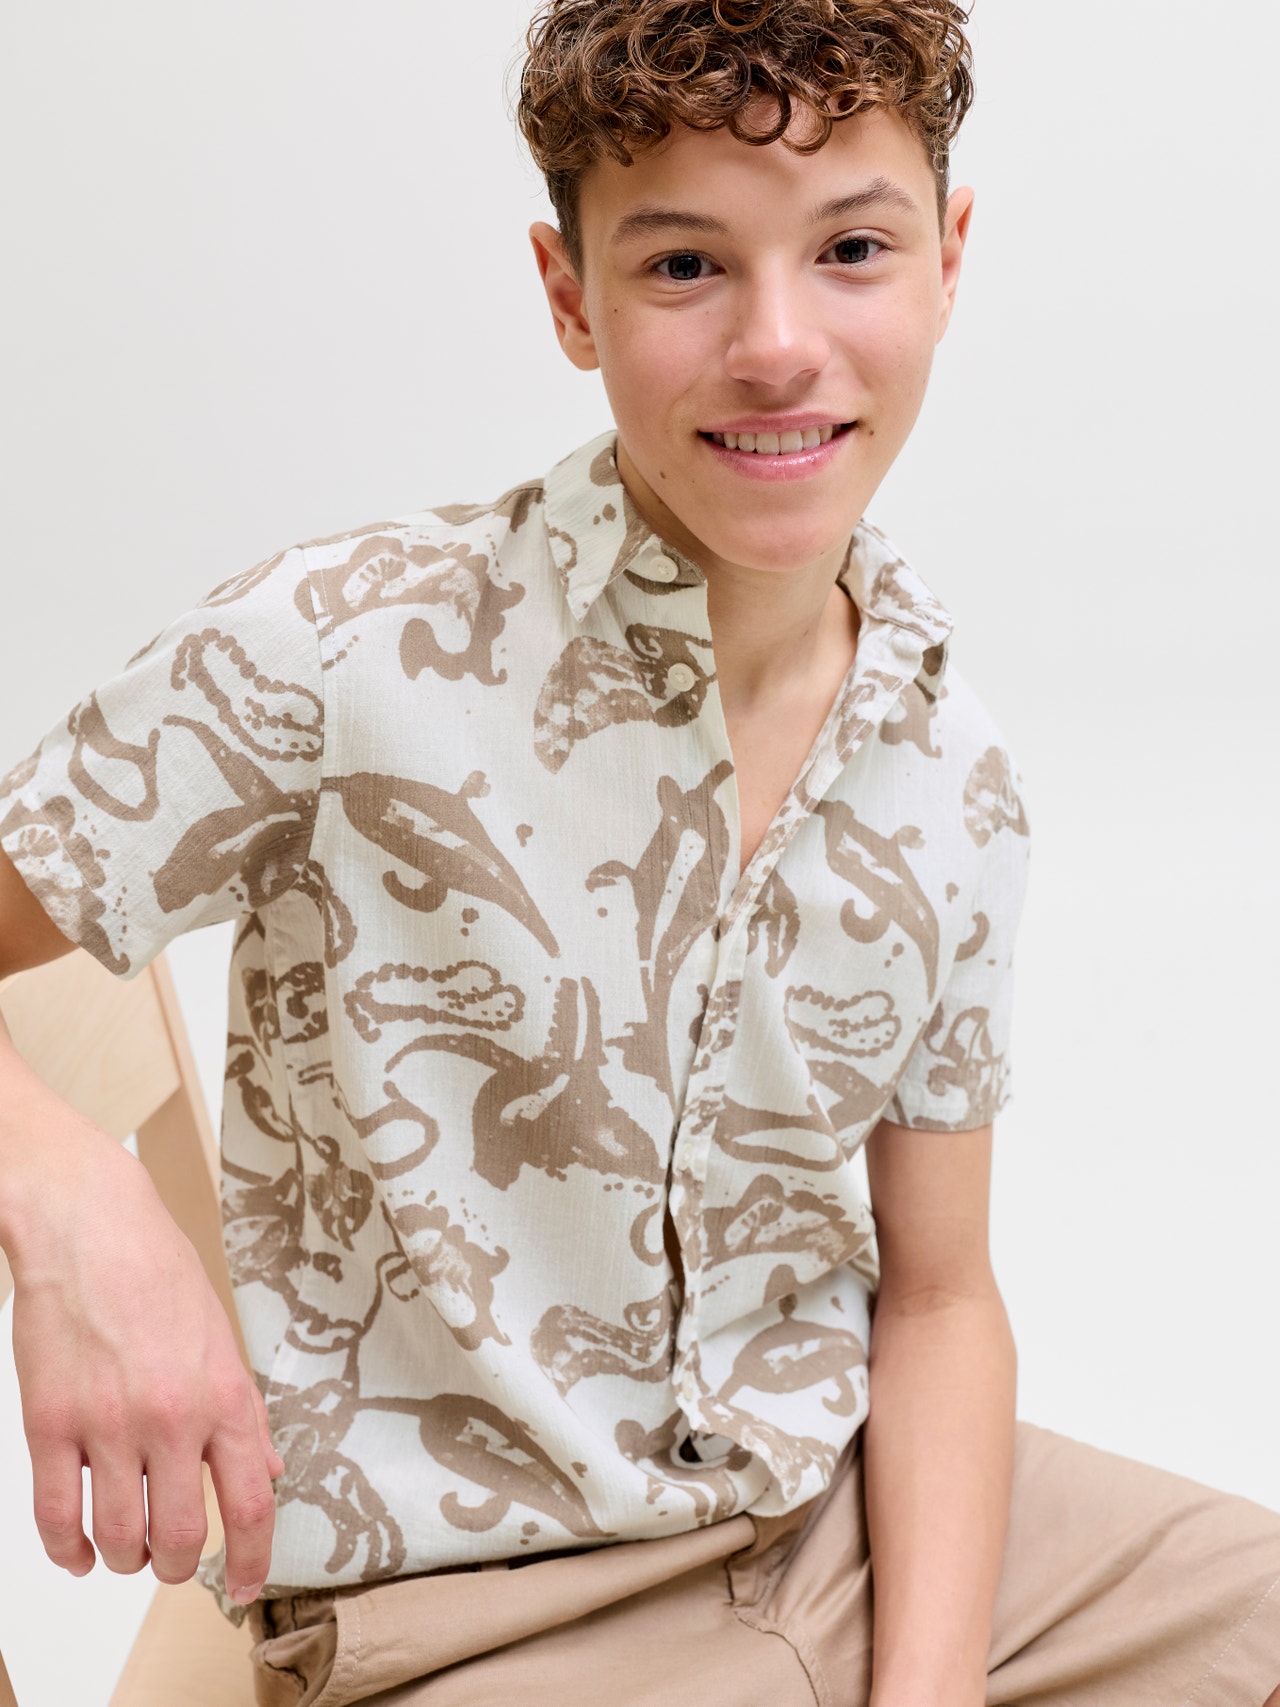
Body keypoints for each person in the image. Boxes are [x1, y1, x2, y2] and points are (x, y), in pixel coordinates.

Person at [0, 1, 1277, 1702]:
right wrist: (66, 1192)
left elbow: (940, 1304)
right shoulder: (337, 655)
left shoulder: (952, 774)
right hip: (468, 1611)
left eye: (852, 249)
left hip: (831, 1513)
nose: (779, 346)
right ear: (568, 294)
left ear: (948, 259)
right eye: (685, 266)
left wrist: (929, 1690)